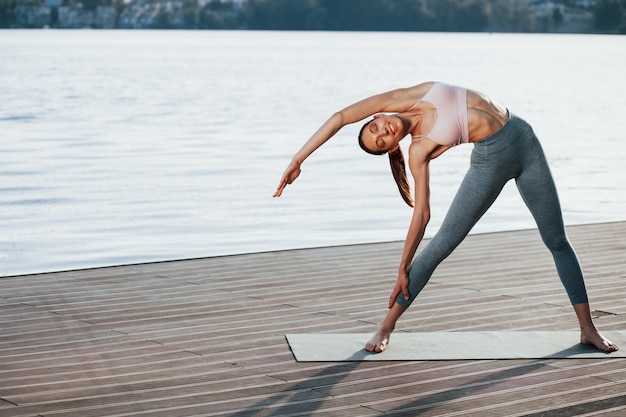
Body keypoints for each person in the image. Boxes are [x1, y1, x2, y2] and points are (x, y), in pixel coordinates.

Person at [273, 81, 618, 354]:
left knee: (557, 240)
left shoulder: (409, 95)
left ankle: (588, 329)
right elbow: (422, 214)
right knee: (441, 245)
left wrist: (298, 159)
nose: (383, 134)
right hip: (490, 162)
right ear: (391, 149)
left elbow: (338, 117)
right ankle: (386, 326)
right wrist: (402, 266)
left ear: (376, 116)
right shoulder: (419, 149)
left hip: (524, 139)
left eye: (375, 129)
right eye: (381, 143)